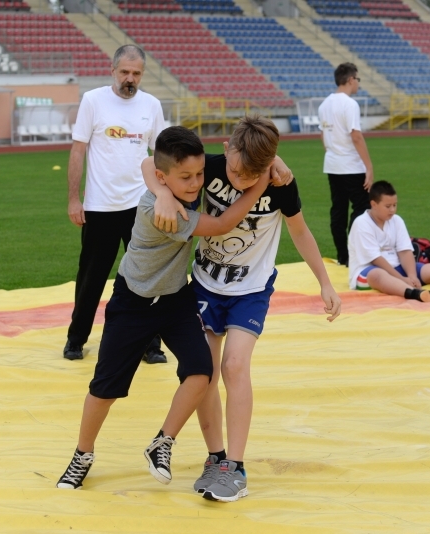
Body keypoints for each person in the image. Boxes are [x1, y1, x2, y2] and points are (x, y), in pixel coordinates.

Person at [56, 126, 273, 491]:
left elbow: (146, 161)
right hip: (133, 303)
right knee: (105, 388)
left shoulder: (173, 186)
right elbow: (221, 224)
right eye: (185, 177)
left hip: (174, 299)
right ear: (164, 176)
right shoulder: (163, 214)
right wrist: (260, 184)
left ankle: (163, 441)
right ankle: (82, 454)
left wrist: (162, 188)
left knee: (201, 371)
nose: (195, 184)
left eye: (200, 174)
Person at [145, 116, 342, 503]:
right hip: (205, 282)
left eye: (251, 176)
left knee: (235, 366)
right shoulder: (211, 166)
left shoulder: (280, 183)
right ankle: (215, 456)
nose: (238, 180)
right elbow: (150, 163)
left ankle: (234, 467)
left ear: (267, 167)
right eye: (235, 170)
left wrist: (324, 281)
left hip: (249, 290)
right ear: (227, 147)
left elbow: (300, 231)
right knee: (203, 370)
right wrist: (163, 193)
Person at [64, 44, 169, 364]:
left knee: (147, 276)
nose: (130, 78)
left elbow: (161, 155)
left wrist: (165, 195)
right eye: (124, 72)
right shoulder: (93, 100)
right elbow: (78, 150)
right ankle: (76, 339)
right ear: (113, 70)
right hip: (100, 207)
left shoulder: (151, 105)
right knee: (91, 277)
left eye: (136, 73)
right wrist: (73, 198)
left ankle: (151, 344)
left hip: (140, 207)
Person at [318, 62, 374, 267]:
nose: (358, 83)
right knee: (361, 208)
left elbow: (323, 136)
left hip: (333, 165)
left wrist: (333, 153)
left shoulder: (324, 104)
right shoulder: (350, 104)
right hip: (351, 165)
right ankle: (353, 254)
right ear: (350, 80)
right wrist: (369, 167)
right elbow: (356, 136)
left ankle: (343, 255)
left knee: (338, 209)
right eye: (357, 79)